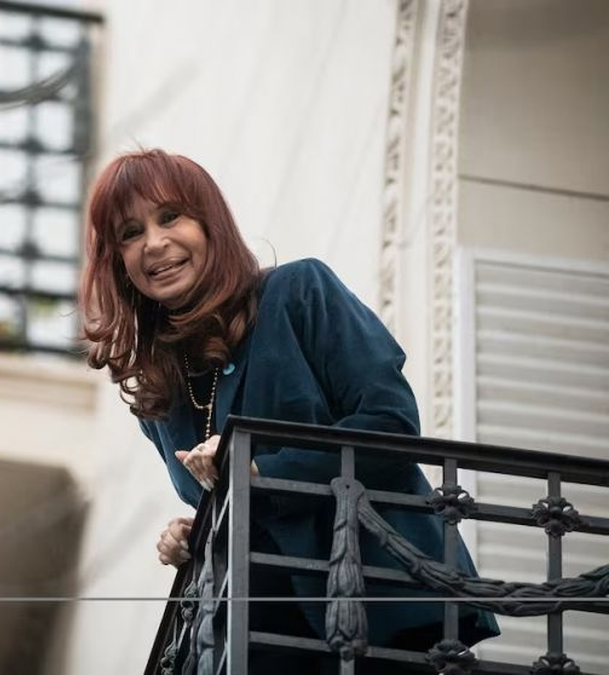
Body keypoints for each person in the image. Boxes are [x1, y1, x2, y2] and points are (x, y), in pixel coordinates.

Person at [78, 149, 498, 671]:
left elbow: (391, 425)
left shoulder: (297, 292)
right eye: (130, 233)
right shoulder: (159, 400)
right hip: (262, 641)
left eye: (170, 217)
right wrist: (198, 534)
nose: (154, 243)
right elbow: (233, 504)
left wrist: (259, 470)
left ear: (209, 224)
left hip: (378, 608)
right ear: (118, 263)